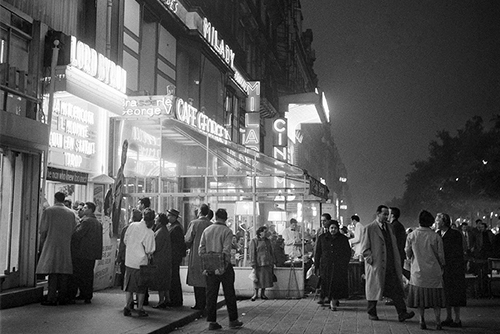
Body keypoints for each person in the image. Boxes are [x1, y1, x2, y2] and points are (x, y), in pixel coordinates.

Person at [360, 205, 415, 322]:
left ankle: (402, 313)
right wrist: (370, 258)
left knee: (395, 289)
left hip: (390, 264)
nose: (386, 216)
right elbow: (364, 247)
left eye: (388, 214)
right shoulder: (369, 228)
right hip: (377, 264)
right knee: (374, 288)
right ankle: (372, 312)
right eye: (384, 214)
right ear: (378, 214)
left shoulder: (390, 228)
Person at [199, 208, 243, 330]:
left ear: (215, 217)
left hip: (209, 267)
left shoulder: (206, 230)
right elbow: (226, 251)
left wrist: (206, 265)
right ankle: (233, 320)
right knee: (229, 293)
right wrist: (223, 267)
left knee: (211, 294)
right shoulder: (227, 231)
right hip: (224, 267)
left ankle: (212, 321)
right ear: (226, 218)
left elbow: (201, 250)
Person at [36, 192, 79, 305]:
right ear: (64, 199)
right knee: (63, 272)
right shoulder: (71, 213)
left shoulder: (49, 211)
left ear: (55, 199)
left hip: (51, 244)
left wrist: (42, 244)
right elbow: (74, 229)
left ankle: (51, 297)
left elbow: (43, 230)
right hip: (65, 245)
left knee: (52, 272)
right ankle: (62, 297)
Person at [405, 210, 446, 330]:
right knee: (436, 299)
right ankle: (438, 321)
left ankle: (422, 320)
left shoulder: (411, 235)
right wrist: (442, 266)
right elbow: (441, 256)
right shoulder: (435, 236)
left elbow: (408, 254)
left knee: (420, 299)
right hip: (434, 272)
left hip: (418, 273)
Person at [435, 212, 466, 328]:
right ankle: (449, 317)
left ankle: (457, 319)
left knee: (455, 293)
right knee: (446, 293)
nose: (436, 223)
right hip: (443, 268)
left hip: (454, 267)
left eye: (437, 221)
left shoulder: (454, 234)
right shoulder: (437, 234)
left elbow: (457, 252)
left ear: (444, 222)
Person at [123, 208, 156, 317]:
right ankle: (140, 308)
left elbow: (125, 240)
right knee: (141, 288)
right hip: (141, 263)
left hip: (129, 261)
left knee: (129, 287)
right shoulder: (150, 232)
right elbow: (150, 250)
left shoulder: (132, 226)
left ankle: (127, 307)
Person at [69, 202, 103, 303]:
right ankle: (87, 295)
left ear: (90, 209)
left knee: (80, 274)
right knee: (88, 275)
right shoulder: (97, 222)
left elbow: (77, 235)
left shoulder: (86, 221)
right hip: (92, 253)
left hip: (82, 252)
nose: (83, 209)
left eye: (85, 208)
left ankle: (81, 294)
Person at [314, 220, 351, 310]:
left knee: (336, 284)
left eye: (335, 228)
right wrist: (316, 265)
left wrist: (344, 263)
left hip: (338, 266)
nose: (333, 230)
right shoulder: (322, 238)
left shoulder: (343, 239)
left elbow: (347, 252)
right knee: (325, 283)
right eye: (331, 228)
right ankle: (324, 297)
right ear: (328, 228)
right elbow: (318, 252)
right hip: (326, 266)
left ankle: (333, 302)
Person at [185, 204, 212, 310]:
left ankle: (198, 303)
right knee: (206, 281)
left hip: (196, 255)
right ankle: (206, 303)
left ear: (199, 212)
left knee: (196, 279)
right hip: (208, 256)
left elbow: (188, 239)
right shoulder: (211, 224)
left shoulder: (194, 223)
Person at [150, 213, 172, 309]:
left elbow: (155, 247)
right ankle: (167, 299)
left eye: (156, 218)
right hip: (165, 259)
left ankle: (161, 301)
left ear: (159, 221)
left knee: (161, 281)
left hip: (160, 260)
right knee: (165, 281)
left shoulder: (159, 232)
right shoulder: (165, 230)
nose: (155, 219)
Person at [117, 209, 142, 290]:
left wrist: (119, 256)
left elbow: (123, 244)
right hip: (139, 257)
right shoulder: (144, 229)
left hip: (127, 256)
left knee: (127, 277)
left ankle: (128, 295)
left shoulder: (127, 228)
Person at [166, 208, 186, 307]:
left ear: (174, 217)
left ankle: (176, 299)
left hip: (174, 256)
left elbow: (178, 244)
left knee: (174, 278)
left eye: (169, 215)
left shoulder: (176, 228)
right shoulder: (173, 226)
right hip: (174, 256)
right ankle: (174, 298)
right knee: (173, 277)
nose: (168, 217)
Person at [249, 226, 275, 301]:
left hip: (267, 262)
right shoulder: (254, 241)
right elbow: (252, 252)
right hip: (258, 262)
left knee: (265, 279)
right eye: (265, 232)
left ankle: (263, 293)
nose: (266, 233)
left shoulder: (268, 241)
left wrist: (272, 260)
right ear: (260, 232)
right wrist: (253, 262)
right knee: (257, 278)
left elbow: (271, 251)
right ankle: (255, 294)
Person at [390, 207, 410, 280]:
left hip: (396, 255)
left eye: (388, 213)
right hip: (399, 254)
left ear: (392, 215)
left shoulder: (393, 226)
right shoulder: (398, 225)